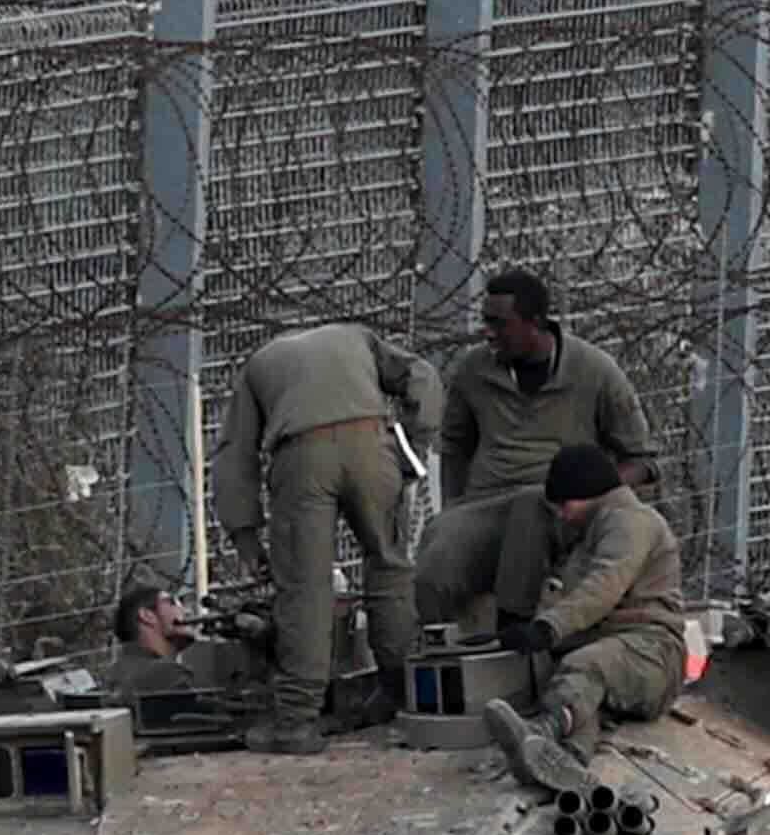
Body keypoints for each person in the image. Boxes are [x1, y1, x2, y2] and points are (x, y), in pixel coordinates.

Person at [413, 268, 660, 641]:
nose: (488, 333)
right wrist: (454, 508)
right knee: (434, 567)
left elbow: (642, 460)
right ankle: (436, 662)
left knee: (531, 506)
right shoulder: (474, 370)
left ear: (536, 323)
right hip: (487, 505)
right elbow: (454, 445)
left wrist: (592, 495)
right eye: (485, 322)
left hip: (559, 509)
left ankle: (512, 637)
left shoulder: (594, 372)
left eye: (500, 324)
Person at [221, 317, 417, 751]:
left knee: (306, 588)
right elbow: (420, 377)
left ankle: (297, 721)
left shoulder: (259, 365)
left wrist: (245, 535)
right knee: (388, 566)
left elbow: (236, 456)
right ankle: (405, 697)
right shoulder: (358, 336)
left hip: (301, 455)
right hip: (372, 441)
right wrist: (414, 443)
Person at [489, 443, 688, 766]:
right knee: (575, 692)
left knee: (584, 667)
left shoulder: (631, 522)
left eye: (565, 503)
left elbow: (602, 588)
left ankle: (542, 734)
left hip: (651, 651)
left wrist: (547, 628)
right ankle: (563, 760)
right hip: (616, 653)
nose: (562, 514)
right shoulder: (594, 531)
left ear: (587, 494)